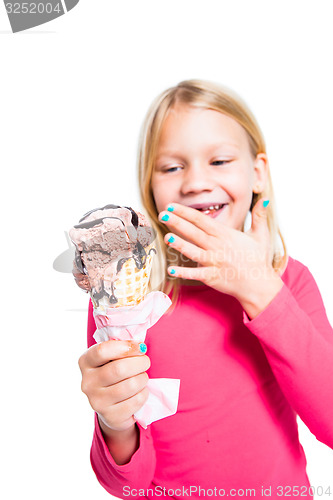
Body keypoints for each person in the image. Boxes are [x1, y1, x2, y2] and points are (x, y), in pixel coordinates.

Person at [77, 80, 333, 499]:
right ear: (151, 187)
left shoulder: (289, 280)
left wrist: (261, 288)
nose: (196, 182)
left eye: (219, 160)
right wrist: (114, 421)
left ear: (257, 174)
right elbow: (127, 485)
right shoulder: (130, 301)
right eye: (172, 167)